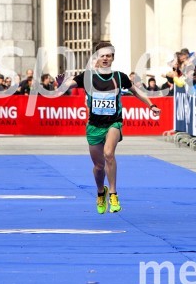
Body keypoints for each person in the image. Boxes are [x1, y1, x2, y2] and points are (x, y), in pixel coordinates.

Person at [63, 41, 161, 214]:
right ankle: (101, 192)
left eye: (108, 55)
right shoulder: (88, 76)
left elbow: (136, 91)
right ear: (97, 58)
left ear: (112, 58)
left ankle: (114, 194)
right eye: (102, 55)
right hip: (94, 125)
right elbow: (67, 84)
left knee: (109, 153)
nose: (105, 58)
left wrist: (151, 105)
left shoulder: (119, 77)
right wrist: (60, 83)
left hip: (113, 122)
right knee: (98, 166)